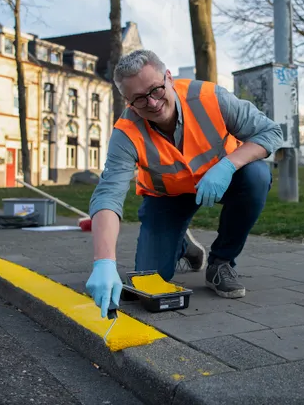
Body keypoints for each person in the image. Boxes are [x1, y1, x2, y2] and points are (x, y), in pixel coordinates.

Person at [85, 50, 283, 317]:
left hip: (221, 180)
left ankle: (221, 262)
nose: (152, 104)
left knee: (257, 175)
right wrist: (104, 262)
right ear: (127, 101)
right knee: (151, 281)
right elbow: (109, 195)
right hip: (167, 196)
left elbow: (271, 132)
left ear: (169, 78)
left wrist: (228, 165)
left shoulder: (210, 98)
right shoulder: (125, 133)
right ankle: (183, 246)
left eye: (156, 90)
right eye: (139, 100)